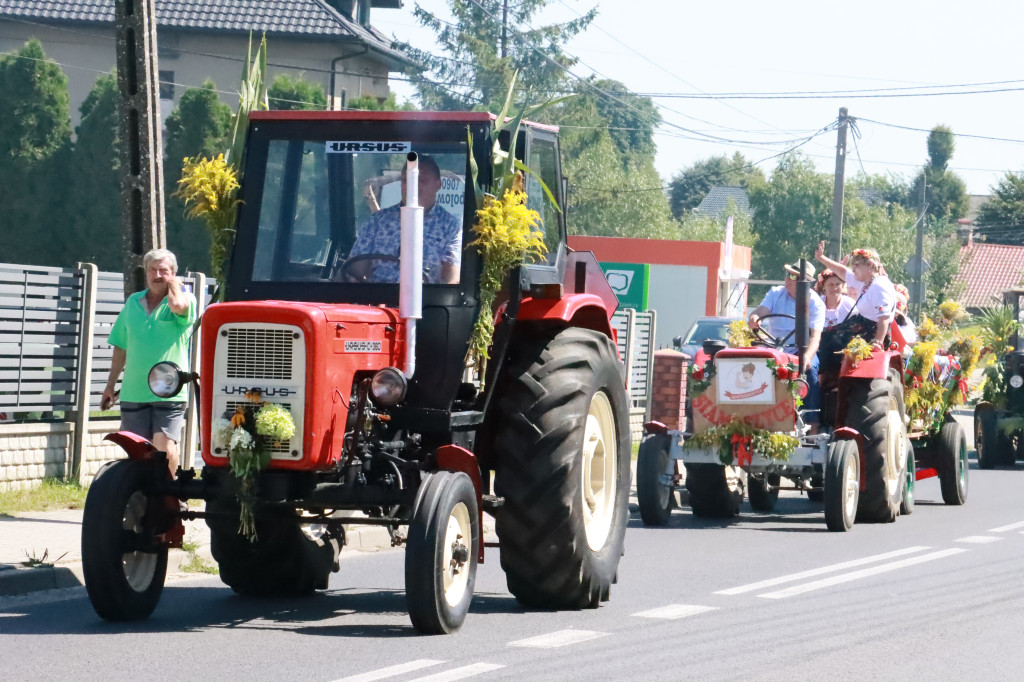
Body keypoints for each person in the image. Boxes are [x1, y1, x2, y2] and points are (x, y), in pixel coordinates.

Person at [101, 249, 197, 478]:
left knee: (163, 447)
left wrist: (175, 285)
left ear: (173, 273)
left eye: (164, 270)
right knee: (136, 451)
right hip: (134, 390)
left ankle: (170, 494)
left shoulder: (185, 299)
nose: (157, 275)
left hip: (169, 390)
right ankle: (142, 499)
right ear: (146, 273)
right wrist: (110, 385)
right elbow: (120, 347)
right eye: (152, 270)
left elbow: (177, 306)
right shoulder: (133, 302)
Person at [343, 155, 462, 284]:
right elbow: (354, 273)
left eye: (421, 179)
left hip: (427, 301)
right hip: (377, 298)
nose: (412, 185)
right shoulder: (377, 221)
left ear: (438, 184)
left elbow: (452, 279)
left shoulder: (450, 226)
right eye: (407, 179)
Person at [748, 261, 826, 426]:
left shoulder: (816, 303)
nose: (788, 279)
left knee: (810, 371)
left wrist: (806, 356)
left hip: (799, 349)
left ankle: (812, 423)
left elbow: (815, 337)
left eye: (793, 276)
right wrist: (754, 317)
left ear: (805, 282)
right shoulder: (775, 293)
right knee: (750, 364)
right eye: (787, 275)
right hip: (773, 347)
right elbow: (761, 311)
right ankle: (749, 415)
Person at [814, 241, 897, 352]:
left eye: (856, 265)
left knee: (830, 340)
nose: (853, 269)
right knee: (824, 336)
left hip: (871, 333)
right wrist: (821, 258)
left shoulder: (879, 286)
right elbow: (842, 271)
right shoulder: (866, 282)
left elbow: (884, 318)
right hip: (860, 326)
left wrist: (878, 342)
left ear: (870, 265)